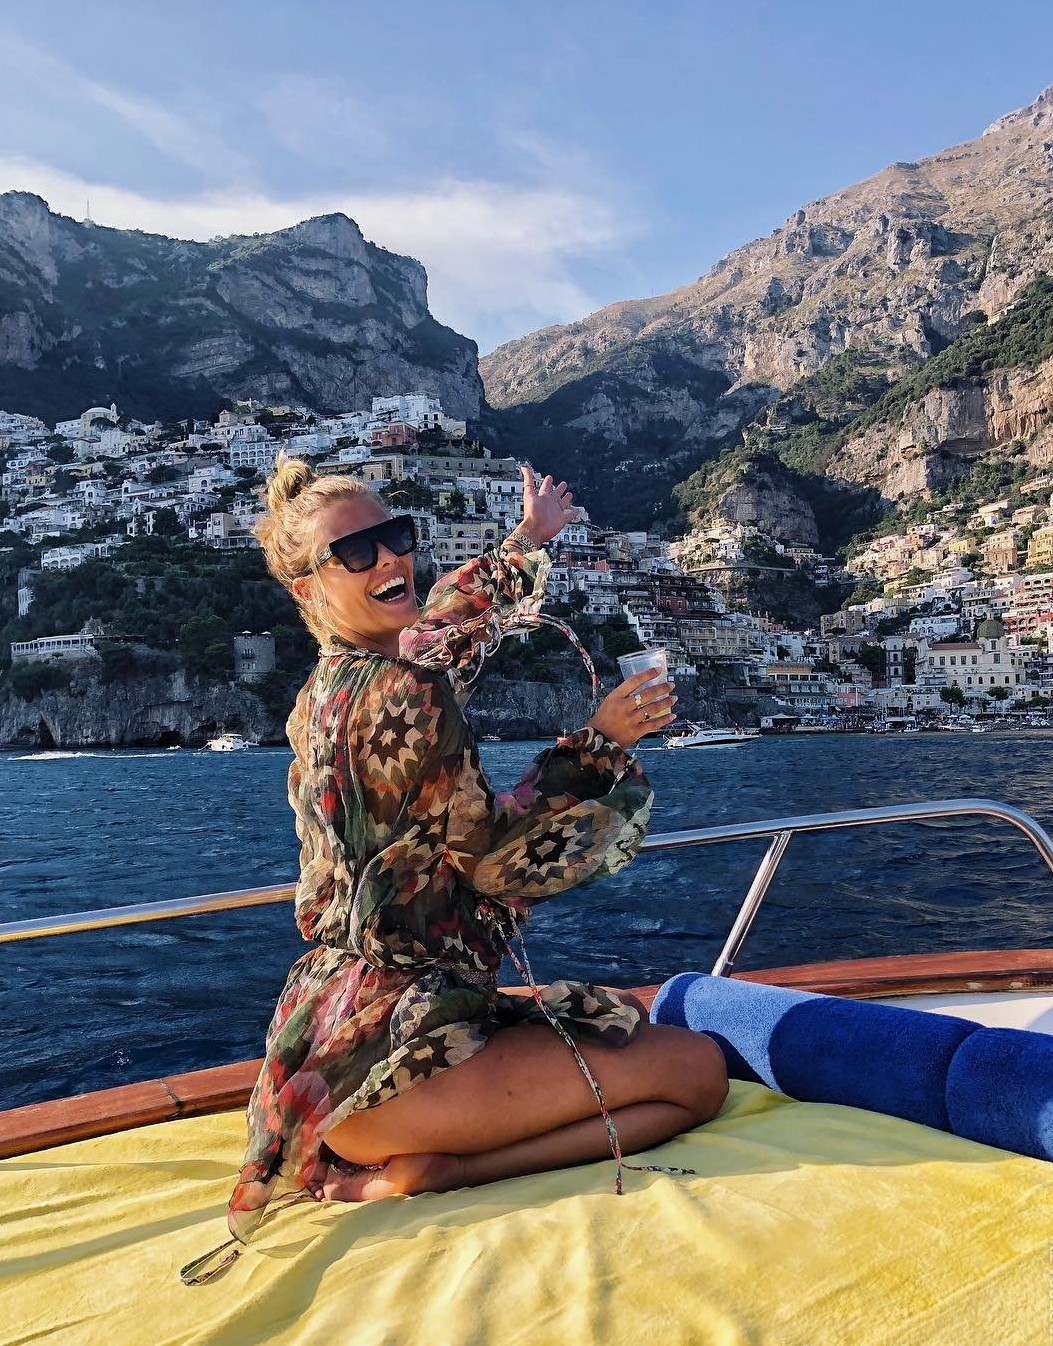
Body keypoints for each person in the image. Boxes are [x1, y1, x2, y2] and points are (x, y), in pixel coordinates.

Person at [204, 455, 728, 1270]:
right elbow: (492, 860)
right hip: (392, 1070)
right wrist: (601, 745)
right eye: (354, 552)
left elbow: (442, 623)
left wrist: (526, 539)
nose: (387, 558)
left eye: (394, 536)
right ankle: (443, 1170)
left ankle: (415, 1149)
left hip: (319, 1050)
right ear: (307, 588)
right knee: (697, 1074)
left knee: (627, 1028)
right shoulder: (406, 691)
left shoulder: (325, 690)